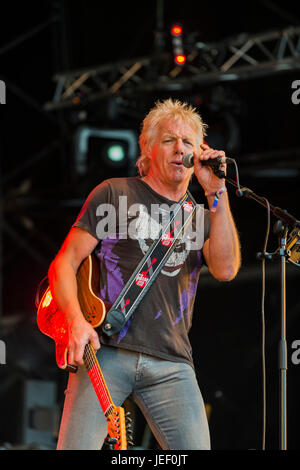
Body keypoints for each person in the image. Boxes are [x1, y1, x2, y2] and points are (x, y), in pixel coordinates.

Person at [49, 98, 241, 450]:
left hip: (172, 361)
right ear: (148, 148)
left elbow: (226, 269)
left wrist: (217, 192)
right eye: (169, 140)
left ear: (199, 153)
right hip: (107, 350)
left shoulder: (201, 215)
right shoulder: (114, 192)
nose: (179, 148)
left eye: (188, 142)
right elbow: (64, 263)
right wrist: (76, 321)